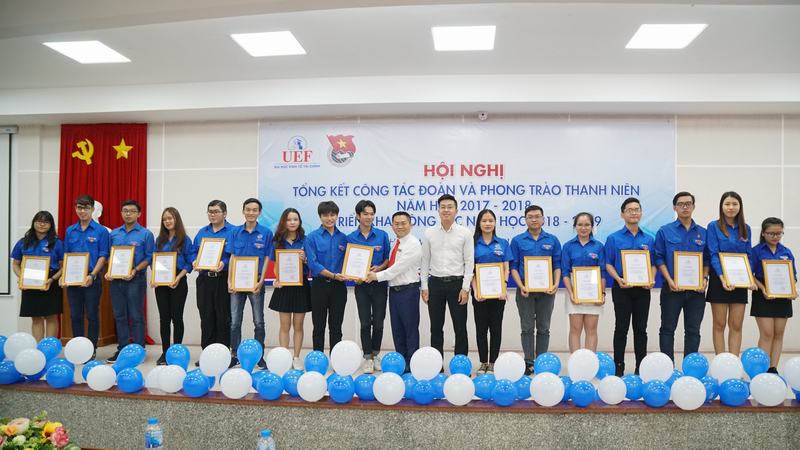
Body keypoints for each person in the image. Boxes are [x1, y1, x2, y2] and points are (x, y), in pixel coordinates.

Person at [654, 191, 710, 362]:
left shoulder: (704, 233)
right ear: (674, 207)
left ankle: (690, 366)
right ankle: (667, 367)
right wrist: (669, 280)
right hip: (672, 289)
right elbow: (659, 258)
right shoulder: (665, 231)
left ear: (693, 206)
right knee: (667, 329)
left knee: (693, 330)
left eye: (688, 204)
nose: (685, 207)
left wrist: (704, 279)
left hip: (696, 291)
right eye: (681, 204)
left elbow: (707, 260)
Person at [604, 198, 656, 376]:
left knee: (641, 329)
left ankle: (641, 367)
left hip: (642, 290)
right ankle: (618, 366)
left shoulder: (648, 239)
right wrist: (618, 279)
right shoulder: (613, 238)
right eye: (630, 210)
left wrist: (651, 278)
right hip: (622, 288)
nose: (634, 213)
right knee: (621, 328)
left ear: (641, 212)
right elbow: (608, 263)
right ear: (622, 214)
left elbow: (653, 264)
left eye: (637, 209)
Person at [366, 211, 422, 373]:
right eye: (396, 224)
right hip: (394, 292)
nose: (400, 226)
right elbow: (390, 266)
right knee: (397, 330)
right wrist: (378, 269)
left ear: (410, 224)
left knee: (410, 330)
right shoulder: (395, 244)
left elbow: (397, 269)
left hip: (408, 291)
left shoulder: (413, 244)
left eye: (403, 223)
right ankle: (401, 362)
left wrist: (376, 276)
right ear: (392, 226)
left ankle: (412, 364)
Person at [509, 205, 561, 375]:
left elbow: (557, 265)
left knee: (544, 327)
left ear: (543, 219)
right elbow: (514, 266)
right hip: (525, 289)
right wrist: (521, 285)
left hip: (547, 290)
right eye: (530, 217)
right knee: (527, 327)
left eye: (537, 216)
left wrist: (555, 284)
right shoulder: (517, 241)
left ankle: (541, 361)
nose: (534, 219)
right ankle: (529, 361)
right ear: (525, 220)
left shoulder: (552, 240)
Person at [420, 194, 474, 358]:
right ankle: (437, 363)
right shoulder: (429, 233)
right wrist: (424, 286)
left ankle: (460, 362)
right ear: (438, 210)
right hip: (435, 284)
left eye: (450, 207)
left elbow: (469, 261)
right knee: (436, 327)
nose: (446, 210)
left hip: (457, 284)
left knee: (460, 326)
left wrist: (465, 288)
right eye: (442, 207)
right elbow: (425, 260)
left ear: (456, 210)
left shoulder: (465, 233)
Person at [706, 191, 756, 356]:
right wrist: (722, 278)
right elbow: (713, 254)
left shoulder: (746, 228)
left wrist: (749, 278)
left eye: (734, 204)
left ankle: (734, 362)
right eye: (727, 204)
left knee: (736, 325)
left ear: (740, 206)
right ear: (721, 206)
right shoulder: (713, 226)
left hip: (740, 281)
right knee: (719, 324)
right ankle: (721, 362)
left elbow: (748, 256)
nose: (731, 207)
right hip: (719, 280)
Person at [105, 200, 155, 363]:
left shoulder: (146, 234)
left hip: (136, 280)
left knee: (136, 315)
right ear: (121, 213)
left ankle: (138, 350)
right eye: (125, 210)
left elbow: (149, 257)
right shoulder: (114, 234)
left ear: (139, 214)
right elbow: (109, 256)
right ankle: (123, 349)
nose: (128, 214)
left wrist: (135, 270)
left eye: (132, 211)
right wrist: (110, 270)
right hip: (116, 281)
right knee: (119, 316)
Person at [227, 198, 273, 369]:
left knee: (258, 321)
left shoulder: (266, 233)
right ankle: (234, 355)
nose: (251, 213)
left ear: (259, 212)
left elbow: (267, 258)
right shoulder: (235, 232)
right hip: (237, 282)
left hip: (256, 282)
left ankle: (259, 355)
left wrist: (261, 281)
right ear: (243, 211)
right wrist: (229, 280)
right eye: (248, 209)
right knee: (235, 321)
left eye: (254, 210)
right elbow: (232, 257)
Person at [62, 194, 109, 357]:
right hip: (73, 279)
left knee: (92, 314)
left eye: (86, 208)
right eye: (79, 208)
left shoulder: (101, 231)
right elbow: (67, 255)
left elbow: (103, 255)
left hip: (91, 278)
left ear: (92, 209)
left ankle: (91, 349)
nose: (82, 211)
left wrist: (93, 275)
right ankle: (78, 349)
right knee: (75, 315)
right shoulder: (70, 230)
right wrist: (64, 276)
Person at [347, 200, 390, 373]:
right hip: (361, 286)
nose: (369, 217)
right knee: (365, 323)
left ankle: (376, 354)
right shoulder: (351, 238)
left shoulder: (382, 235)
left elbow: (387, 259)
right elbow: (348, 264)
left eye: (372, 214)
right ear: (358, 216)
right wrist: (354, 277)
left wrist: (379, 269)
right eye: (365, 214)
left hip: (379, 284)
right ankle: (367, 357)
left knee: (378, 323)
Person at [751, 217, 796, 374]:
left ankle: (773, 368)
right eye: (771, 233)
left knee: (779, 333)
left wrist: (792, 290)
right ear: (763, 233)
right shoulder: (756, 251)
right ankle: (761, 369)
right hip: (763, 295)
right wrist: (763, 288)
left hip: (783, 296)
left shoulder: (786, 252)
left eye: (779, 233)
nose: (775, 237)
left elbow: (793, 276)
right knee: (767, 333)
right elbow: (750, 275)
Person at [268, 208, 311, 371]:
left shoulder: (306, 240)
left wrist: (305, 259)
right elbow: (275, 266)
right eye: (289, 219)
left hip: (301, 286)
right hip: (284, 287)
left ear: (299, 222)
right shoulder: (277, 242)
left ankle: (296, 357)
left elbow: (311, 264)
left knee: (298, 325)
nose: (292, 222)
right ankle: (284, 357)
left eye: (295, 219)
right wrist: (276, 279)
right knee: (284, 326)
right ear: (283, 222)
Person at [192, 200, 235, 362]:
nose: (212, 214)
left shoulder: (233, 231)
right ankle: (207, 354)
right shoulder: (202, 232)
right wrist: (194, 261)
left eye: (216, 211)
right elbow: (193, 252)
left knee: (223, 317)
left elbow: (236, 255)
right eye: (210, 211)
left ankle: (223, 355)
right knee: (206, 317)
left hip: (223, 279)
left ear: (225, 213)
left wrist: (224, 263)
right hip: (204, 280)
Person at [11, 211, 63, 341]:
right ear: (33, 222)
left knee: (51, 316)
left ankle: (50, 347)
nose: (42, 224)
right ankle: (39, 347)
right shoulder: (23, 242)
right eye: (39, 221)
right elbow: (15, 264)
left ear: (51, 225)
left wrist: (52, 279)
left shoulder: (57, 243)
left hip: (50, 281)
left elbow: (63, 266)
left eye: (46, 222)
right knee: (35, 317)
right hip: (30, 281)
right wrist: (22, 278)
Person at [471, 209, 512, 374]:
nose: (487, 224)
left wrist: (504, 287)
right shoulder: (472, 243)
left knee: (496, 329)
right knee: (481, 329)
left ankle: (493, 362)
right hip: (479, 294)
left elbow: (506, 268)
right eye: (484, 221)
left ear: (495, 223)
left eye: (490, 221)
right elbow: (471, 271)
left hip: (498, 294)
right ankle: (483, 362)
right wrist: (475, 291)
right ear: (479, 223)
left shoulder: (503, 243)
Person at [304, 201, 348, 353]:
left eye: (332, 215)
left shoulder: (344, 238)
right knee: (318, 326)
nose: (329, 218)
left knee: (336, 326)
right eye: (325, 215)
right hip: (319, 286)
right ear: (320, 216)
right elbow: (313, 264)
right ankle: (318, 359)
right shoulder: (312, 238)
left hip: (339, 288)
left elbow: (350, 261)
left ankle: (336, 359)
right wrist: (333, 275)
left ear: (337, 216)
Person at [151, 207, 193, 365]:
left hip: (178, 281)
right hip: (161, 283)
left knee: (177, 317)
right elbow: (154, 261)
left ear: (176, 220)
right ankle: (165, 352)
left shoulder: (185, 240)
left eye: (170, 218)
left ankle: (176, 352)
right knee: (164, 319)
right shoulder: (159, 240)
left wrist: (178, 277)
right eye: (164, 219)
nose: (167, 221)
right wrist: (154, 277)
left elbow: (189, 263)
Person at [562, 212, 606, 352]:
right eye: (580, 224)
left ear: (592, 227)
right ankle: (575, 361)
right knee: (575, 329)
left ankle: (590, 361)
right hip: (574, 290)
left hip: (594, 291)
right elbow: (565, 272)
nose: (583, 228)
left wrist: (602, 294)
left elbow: (602, 273)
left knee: (591, 329)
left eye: (587, 225)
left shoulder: (599, 246)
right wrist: (571, 293)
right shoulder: (568, 246)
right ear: (575, 226)